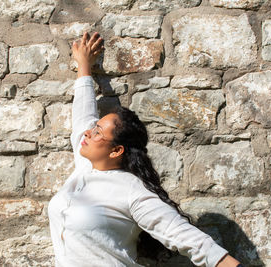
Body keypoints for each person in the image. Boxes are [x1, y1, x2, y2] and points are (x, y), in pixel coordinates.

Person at [48, 32, 242, 267]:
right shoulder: (84, 168)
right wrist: (84, 66)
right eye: (94, 128)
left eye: (98, 131)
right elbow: (83, 114)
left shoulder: (131, 191)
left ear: (116, 151)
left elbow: (183, 236)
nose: (88, 132)